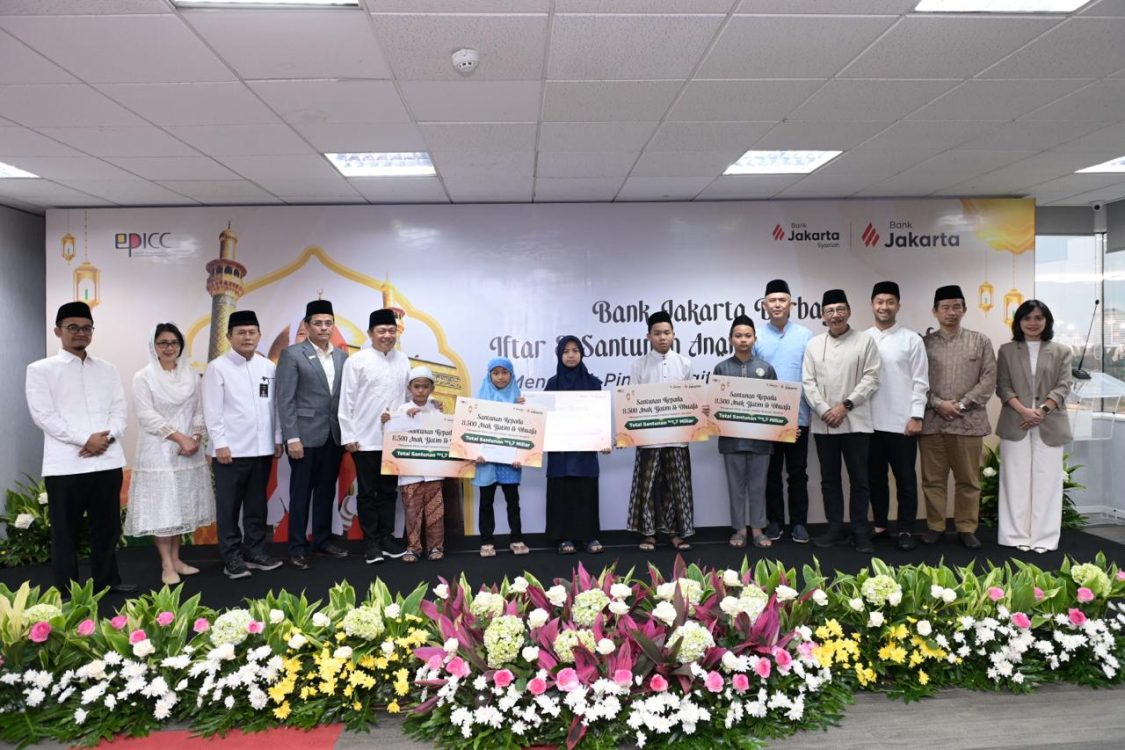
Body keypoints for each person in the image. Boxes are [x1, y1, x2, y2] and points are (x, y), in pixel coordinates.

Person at [25, 301, 136, 595]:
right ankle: (66, 591)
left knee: (107, 529)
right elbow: (44, 415)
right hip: (66, 464)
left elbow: (119, 410)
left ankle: (107, 582)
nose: (80, 333)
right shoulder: (41, 370)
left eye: (86, 328)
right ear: (58, 331)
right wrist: (84, 439)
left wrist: (106, 438)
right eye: (72, 327)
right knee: (65, 532)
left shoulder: (108, 369)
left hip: (107, 462)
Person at [124, 323, 214, 585]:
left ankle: (176, 559)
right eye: (162, 342)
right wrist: (180, 438)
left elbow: (199, 411)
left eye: (174, 342)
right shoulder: (144, 377)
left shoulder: (191, 375)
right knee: (163, 509)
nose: (169, 347)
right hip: (158, 451)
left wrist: (194, 438)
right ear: (154, 346)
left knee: (179, 508)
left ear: (181, 346)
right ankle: (166, 564)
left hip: (188, 452)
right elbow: (146, 416)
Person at [202, 309, 283, 579]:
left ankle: (255, 551)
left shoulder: (268, 367)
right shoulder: (218, 367)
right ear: (229, 336)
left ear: (259, 335)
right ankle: (231, 557)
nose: (247, 337)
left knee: (257, 506)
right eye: (241, 333)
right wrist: (220, 444)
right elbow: (212, 410)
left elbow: (275, 407)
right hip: (231, 452)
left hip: (262, 450)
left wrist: (277, 438)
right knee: (229, 507)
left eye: (251, 332)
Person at [802, 289, 881, 554]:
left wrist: (845, 406)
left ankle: (860, 531)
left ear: (849, 311)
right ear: (823, 315)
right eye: (830, 311)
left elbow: (872, 377)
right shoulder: (814, 344)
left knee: (860, 480)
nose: (835, 315)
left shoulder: (865, 341)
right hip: (824, 422)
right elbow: (808, 382)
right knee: (829, 479)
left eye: (840, 309)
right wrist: (825, 410)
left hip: (855, 420)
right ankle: (835, 528)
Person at [920, 285, 997, 550]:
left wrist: (962, 404)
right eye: (945, 307)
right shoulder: (924, 344)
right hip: (932, 423)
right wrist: (938, 403)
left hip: (968, 423)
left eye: (956, 307)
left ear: (964, 309)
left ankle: (966, 528)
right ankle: (935, 526)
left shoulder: (980, 341)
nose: (951, 312)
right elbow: (915, 381)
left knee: (969, 480)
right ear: (935, 311)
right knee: (933, 481)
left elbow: (989, 379)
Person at [276, 299, 350, 570]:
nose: (323, 328)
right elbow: (285, 399)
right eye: (317, 323)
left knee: (326, 492)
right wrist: (292, 437)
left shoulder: (342, 357)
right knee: (301, 493)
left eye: (328, 323)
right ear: (306, 326)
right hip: (304, 437)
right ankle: (297, 547)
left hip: (333, 435)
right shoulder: (292, 354)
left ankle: (322, 540)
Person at [995, 300, 1073, 553]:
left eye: (1038, 317)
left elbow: (1064, 385)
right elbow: (1003, 386)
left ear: (1046, 321)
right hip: (1015, 420)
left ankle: (1044, 538)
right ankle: (1014, 535)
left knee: (1047, 483)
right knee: (1014, 481)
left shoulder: (1062, 351)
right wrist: (1024, 411)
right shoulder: (1007, 350)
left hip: (1050, 423)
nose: (1032, 323)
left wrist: (1042, 411)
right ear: (1018, 322)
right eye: (1027, 318)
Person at [338, 308, 410, 565]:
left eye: (391, 331)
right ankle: (371, 542)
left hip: (394, 439)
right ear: (370, 333)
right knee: (368, 492)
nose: (387, 335)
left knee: (389, 491)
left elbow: (408, 396)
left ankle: (386, 537)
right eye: (381, 331)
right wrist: (348, 435)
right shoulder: (356, 361)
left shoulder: (403, 360)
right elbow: (346, 400)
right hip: (365, 439)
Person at [865, 282, 929, 552]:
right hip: (869, 423)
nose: (884, 307)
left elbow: (920, 381)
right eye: (879, 302)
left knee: (905, 480)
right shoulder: (863, 338)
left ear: (898, 306)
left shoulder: (911, 339)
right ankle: (880, 525)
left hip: (902, 423)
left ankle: (906, 529)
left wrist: (916, 416)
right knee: (875, 479)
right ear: (872, 305)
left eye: (890, 302)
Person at [626, 310, 696, 552]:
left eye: (666, 332)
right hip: (648, 439)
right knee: (647, 488)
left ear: (674, 334)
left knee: (677, 487)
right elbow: (632, 402)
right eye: (657, 333)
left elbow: (691, 399)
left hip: (678, 438)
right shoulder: (639, 365)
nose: (662, 337)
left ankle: (676, 534)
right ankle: (649, 534)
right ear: (648, 336)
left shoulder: (685, 363)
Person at [753, 279, 814, 543]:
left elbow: (812, 376)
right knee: (771, 473)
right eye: (772, 300)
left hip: (799, 417)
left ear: (791, 303)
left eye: (782, 300)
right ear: (764, 304)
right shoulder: (756, 336)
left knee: (798, 473)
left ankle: (799, 523)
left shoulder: (805, 335)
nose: (777, 304)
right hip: (767, 419)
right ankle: (775, 521)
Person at [714, 315, 777, 549]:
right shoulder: (722, 368)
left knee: (759, 486)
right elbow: (716, 403)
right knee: (736, 486)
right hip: (732, 440)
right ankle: (740, 529)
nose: (743, 340)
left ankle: (758, 529)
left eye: (748, 336)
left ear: (755, 339)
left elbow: (777, 403)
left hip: (761, 440)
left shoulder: (766, 369)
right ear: (730, 339)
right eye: (738, 336)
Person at [545, 335, 608, 555]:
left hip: (585, 451)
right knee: (563, 493)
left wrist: (604, 439)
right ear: (559, 355)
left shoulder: (593, 384)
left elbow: (600, 417)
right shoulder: (552, 384)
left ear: (581, 353)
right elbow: (544, 416)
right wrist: (528, 406)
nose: (571, 355)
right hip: (560, 453)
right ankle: (565, 538)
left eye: (575, 351)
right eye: (566, 351)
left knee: (585, 492)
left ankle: (589, 537)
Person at [391, 366, 446, 563]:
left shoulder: (437, 409)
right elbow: (392, 436)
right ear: (409, 388)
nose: (421, 390)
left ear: (432, 388)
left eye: (425, 386)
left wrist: (434, 413)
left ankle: (436, 547)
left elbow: (444, 434)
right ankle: (414, 548)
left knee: (435, 512)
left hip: (433, 472)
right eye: (417, 386)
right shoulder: (401, 410)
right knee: (412, 513)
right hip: (410, 473)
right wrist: (402, 419)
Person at [474, 357, 529, 557]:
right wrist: (475, 452)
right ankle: (486, 541)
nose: (500, 377)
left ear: (511, 375)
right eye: (495, 373)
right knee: (485, 503)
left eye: (505, 372)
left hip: (510, 462)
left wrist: (521, 454)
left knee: (513, 502)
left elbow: (527, 431)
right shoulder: (478, 402)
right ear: (489, 375)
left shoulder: (520, 400)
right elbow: (472, 429)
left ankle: (516, 539)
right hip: (486, 462)